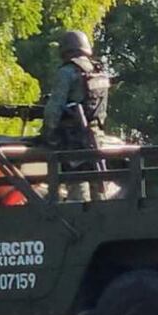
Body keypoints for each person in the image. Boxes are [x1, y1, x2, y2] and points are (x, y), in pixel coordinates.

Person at [40, 29, 111, 201]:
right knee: (99, 193)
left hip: (74, 140)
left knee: (77, 194)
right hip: (96, 138)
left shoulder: (67, 72)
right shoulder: (99, 72)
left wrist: (47, 135)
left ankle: (78, 225)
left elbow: (53, 111)